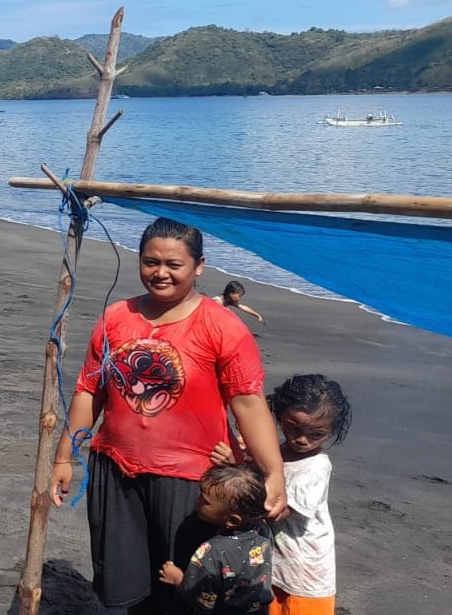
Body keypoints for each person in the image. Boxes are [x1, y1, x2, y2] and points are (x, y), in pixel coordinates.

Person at [50, 217, 286, 615]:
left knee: (185, 589)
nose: (160, 273)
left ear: (199, 266)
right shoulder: (115, 318)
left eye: (173, 265)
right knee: (127, 587)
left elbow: (248, 403)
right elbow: (90, 390)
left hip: (194, 483)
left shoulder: (222, 326)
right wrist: (64, 456)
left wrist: (273, 471)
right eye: (150, 262)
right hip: (116, 471)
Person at [212, 374, 351, 615]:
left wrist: (236, 466)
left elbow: (277, 510)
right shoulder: (277, 450)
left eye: (316, 434)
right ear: (278, 416)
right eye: (293, 427)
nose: (301, 439)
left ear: (332, 431)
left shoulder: (316, 468)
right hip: (274, 567)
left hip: (305, 576)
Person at [158, 464, 274, 614]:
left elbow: (201, 599)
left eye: (205, 501)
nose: (197, 499)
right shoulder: (263, 531)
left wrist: (178, 580)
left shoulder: (211, 550)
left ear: (232, 520)